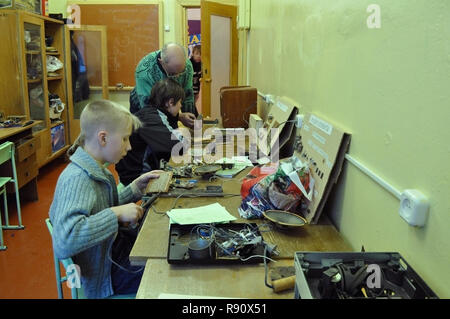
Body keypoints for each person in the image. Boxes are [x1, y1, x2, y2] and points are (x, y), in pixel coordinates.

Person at [49, 100, 162, 299]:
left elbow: (99, 208)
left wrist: (135, 189)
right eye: (125, 139)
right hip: (106, 275)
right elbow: (65, 241)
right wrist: (114, 214)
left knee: (162, 245)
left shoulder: (95, 168)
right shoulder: (77, 179)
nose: (129, 147)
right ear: (103, 138)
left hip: (112, 254)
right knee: (165, 270)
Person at [116, 78, 187, 186]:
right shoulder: (151, 119)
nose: (181, 106)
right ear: (170, 102)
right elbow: (178, 149)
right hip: (136, 178)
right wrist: (184, 136)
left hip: (139, 173)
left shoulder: (154, 113)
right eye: (180, 102)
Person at [129, 43, 198, 127]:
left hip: (168, 105)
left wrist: (191, 121)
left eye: (181, 72)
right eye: (172, 73)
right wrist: (179, 117)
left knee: (173, 133)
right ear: (161, 62)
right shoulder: (144, 71)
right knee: (149, 133)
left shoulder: (187, 66)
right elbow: (149, 109)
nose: (177, 76)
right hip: (144, 104)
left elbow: (188, 95)